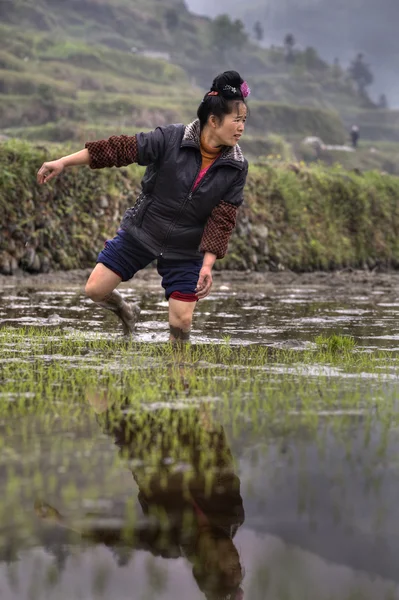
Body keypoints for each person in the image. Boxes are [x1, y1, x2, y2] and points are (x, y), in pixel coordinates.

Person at [37, 71, 250, 341]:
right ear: (213, 120)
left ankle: (178, 375)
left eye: (244, 120)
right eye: (237, 120)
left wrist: (207, 265)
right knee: (95, 290)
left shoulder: (236, 166)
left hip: (186, 249)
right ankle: (126, 310)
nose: (242, 127)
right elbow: (119, 149)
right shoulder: (172, 138)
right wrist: (64, 162)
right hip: (144, 231)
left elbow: (223, 218)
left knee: (182, 322)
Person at [35, 384, 245, 600]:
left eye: (231, 568)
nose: (236, 558)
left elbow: (113, 535)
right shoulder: (232, 514)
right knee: (175, 374)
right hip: (182, 429)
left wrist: (61, 520)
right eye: (239, 565)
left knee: (98, 390)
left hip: (139, 444)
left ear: (209, 566)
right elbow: (222, 462)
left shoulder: (169, 542)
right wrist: (206, 421)